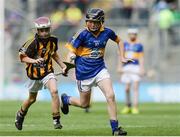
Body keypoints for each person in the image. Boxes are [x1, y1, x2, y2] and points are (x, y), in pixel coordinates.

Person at [61, 8, 132, 136]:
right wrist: (68, 64)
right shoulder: (81, 34)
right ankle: (66, 99)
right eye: (89, 21)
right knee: (84, 104)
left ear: (101, 22)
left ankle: (115, 129)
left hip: (100, 70)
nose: (92, 24)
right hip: (83, 74)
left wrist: (122, 57)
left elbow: (120, 41)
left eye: (95, 22)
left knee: (110, 96)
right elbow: (71, 51)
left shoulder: (107, 32)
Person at [15, 16, 67, 130]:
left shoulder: (53, 40)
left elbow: (53, 54)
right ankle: (20, 114)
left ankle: (56, 119)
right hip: (33, 75)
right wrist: (34, 61)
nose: (44, 33)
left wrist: (63, 66)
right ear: (37, 31)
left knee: (54, 91)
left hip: (47, 72)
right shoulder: (31, 43)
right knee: (32, 99)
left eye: (47, 30)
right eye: (42, 30)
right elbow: (22, 57)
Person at [118, 28, 145, 114]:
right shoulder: (124, 44)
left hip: (136, 67)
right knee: (126, 88)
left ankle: (135, 107)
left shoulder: (139, 45)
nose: (132, 35)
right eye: (131, 34)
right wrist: (119, 66)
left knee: (135, 87)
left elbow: (141, 58)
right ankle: (127, 105)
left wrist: (141, 68)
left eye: (134, 34)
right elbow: (120, 56)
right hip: (126, 67)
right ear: (128, 35)